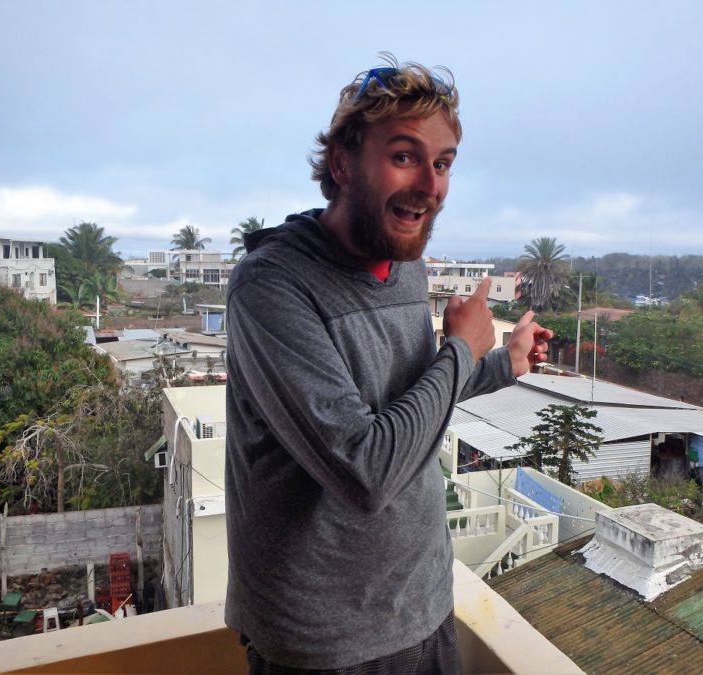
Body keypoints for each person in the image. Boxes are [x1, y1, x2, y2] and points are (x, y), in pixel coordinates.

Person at [224, 55, 552, 673]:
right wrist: (461, 348)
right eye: (404, 156)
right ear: (343, 164)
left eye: (444, 163)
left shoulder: (405, 262)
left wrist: (499, 362)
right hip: (327, 644)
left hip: (424, 606)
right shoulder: (272, 286)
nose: (430, 185)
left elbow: (409, 398)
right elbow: (366, 469)